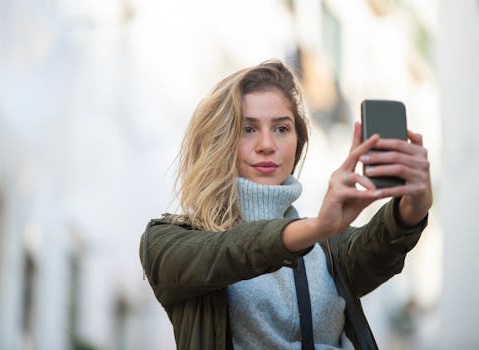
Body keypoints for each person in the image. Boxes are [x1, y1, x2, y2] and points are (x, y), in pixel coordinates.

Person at [139, 60, 432, 350]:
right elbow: (232, 250)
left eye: (281, 128)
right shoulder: (166, 240)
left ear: (298, 141)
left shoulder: (329, 249)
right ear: (221, 139)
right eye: (247, 129)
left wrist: (411, 209)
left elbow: (378, 245)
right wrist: (314, 228)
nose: (266, 144)